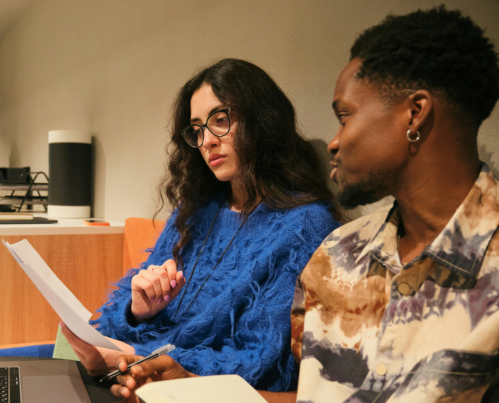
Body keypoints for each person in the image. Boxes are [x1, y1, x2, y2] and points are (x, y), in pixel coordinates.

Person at [109, 6, 499, 403]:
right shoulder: (341, 253)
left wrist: (185, 378)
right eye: (197, 130)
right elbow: (312, 395)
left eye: (345, 117)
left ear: (415, 114)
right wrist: (185, 380)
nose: (333, 142)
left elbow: (267, 365)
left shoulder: (315, 233)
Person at [61, 58, 343, 392]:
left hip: (187, 388)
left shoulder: (305, 226)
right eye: (197, 130)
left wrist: (133, 357)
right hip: (131, 370)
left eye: (220, 120)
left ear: (263, 120)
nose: (207, 140)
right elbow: (115, 323)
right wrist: (138, 311)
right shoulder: (194, 211)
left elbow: (264, 363)